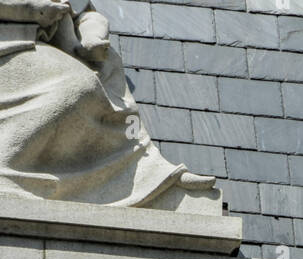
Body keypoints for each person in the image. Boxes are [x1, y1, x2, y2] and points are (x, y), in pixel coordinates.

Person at [0, 0, 215, 207]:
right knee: (77, 85)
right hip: (10, 46)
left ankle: (146, 169)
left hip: (46, 47)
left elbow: (85, 13)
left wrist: (92, 35)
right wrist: (27, 10)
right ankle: (5, 167)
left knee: (113, 94)